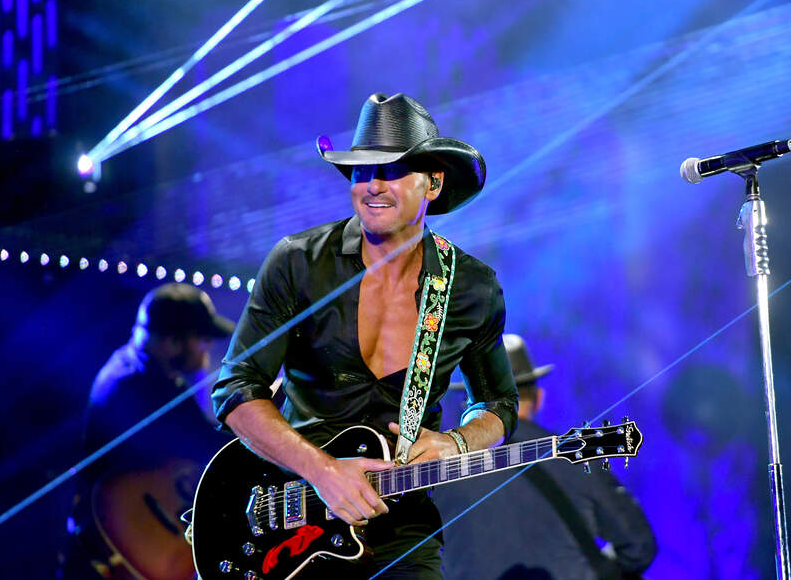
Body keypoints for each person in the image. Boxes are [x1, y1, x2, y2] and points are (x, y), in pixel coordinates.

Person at [211, 92, 518, 578]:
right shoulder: (299, 262)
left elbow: (498, 403)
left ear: (434, 182)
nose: (372, 185)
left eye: (392, 170)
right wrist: (322, 471)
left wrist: (459, 442)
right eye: (360, 170)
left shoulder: (471, 288)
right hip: (292, 518)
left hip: (403, 525)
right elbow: (236, 387)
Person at [433, 334, 657, 580]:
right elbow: (639, 547)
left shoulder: (436, 472)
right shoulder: (575, 454)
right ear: (538, 399)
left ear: (469, 405)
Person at [60, 282, 236, 579]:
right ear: (171, 342)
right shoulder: (141, 387)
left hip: (122, 541)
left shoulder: (133, 369)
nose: (208, 348)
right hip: (127, 541)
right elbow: (208, 447)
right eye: (202, 338)